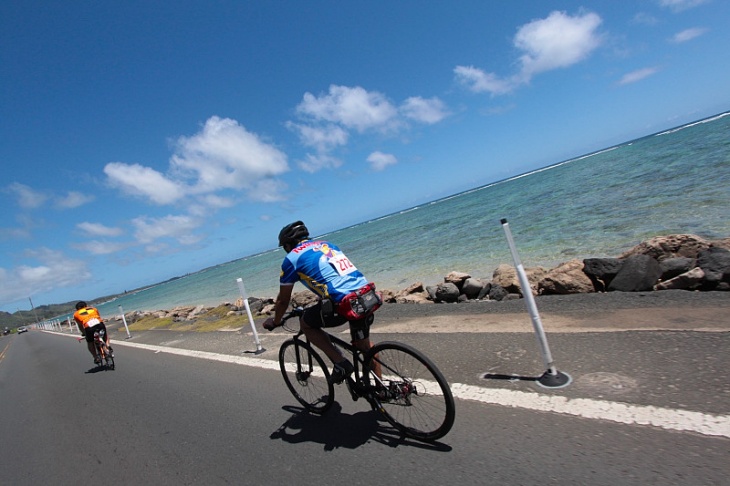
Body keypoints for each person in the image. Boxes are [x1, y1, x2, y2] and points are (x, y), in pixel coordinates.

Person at [262, 221, 382, 384]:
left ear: (288, 245)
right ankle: (380, 390)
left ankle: (340, 363)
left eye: (284, 246)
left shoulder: (291, 259)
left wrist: (276, 321)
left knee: (306, 324)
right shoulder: (327, 245)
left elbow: (283, 300)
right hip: (367, 295)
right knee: (364, 346)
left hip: (346, 303)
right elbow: (335, 274)